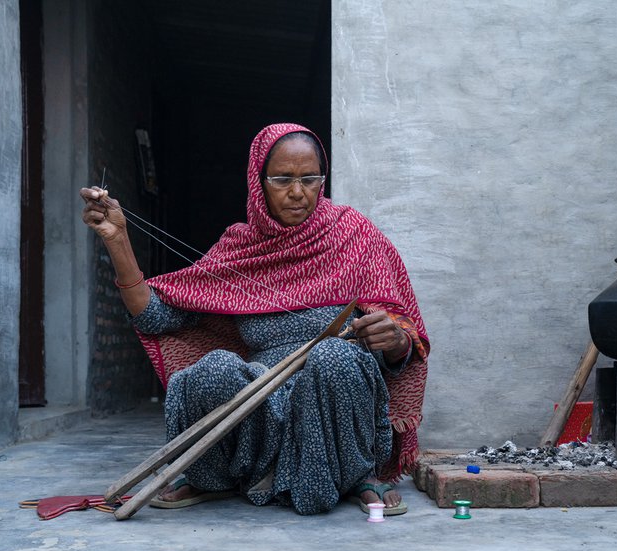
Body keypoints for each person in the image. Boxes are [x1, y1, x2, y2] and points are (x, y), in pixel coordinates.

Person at [80, 123, 429, 516]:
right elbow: (155, 317)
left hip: (334, 394)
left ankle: (356, 474)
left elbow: (403, 341)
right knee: (214, 368)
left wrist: (394, 340)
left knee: (333, 356)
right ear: (258, 181)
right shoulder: (240, 246)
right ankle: (211, 477)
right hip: (264, 400)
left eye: (310, 179)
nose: (298, 193)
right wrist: (117, 239)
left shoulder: (354, 236)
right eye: (282, 179)